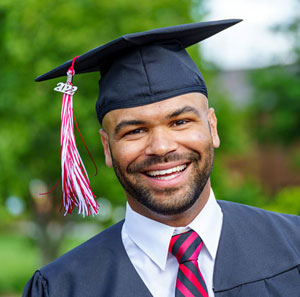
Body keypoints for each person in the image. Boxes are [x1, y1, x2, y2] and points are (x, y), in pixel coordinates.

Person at [23, 19, 300, 297]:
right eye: (136, 130)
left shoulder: (294, 248)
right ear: (107, 147)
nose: (161, 147)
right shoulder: (61, 288)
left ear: (212, 127)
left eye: (180, 122)